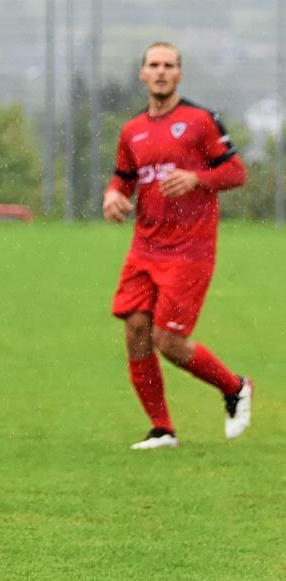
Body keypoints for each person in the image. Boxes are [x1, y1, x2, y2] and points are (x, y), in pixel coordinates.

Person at [103, 42, 251, 450]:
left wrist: (197, 179)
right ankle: (162, 429)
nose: (161, 71)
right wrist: (112, 197)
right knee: (135, 331)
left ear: (180, 74)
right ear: (142, 74)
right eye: (154, 64)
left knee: (167, 341)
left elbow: (237, 173)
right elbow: (123, 179)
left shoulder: (200, 121)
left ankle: (235, 387)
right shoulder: (132, 130)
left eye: (169, 65)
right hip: (145, 248)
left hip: (191, 250)